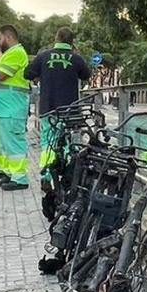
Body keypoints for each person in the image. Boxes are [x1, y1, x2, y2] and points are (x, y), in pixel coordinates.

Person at [23, 27, 90, 189]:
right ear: (72, 42)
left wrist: (40, 76)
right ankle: (66, 177)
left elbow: (27, 74)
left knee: (48, 142)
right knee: (67, 143)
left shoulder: (43, 56)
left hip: (49, 108)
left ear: (56, 39)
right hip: (70, 111)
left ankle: (46, 176)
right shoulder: (76, 58)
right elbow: (86, 75)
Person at [0, 25, 30, 191]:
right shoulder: (7, 55)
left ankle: (20, 177)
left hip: (12, 107)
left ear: (8, 37)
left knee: (14, 143)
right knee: (5, 144)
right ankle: (10, 173)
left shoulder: (16, 53)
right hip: (4, 108)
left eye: (0, 38)